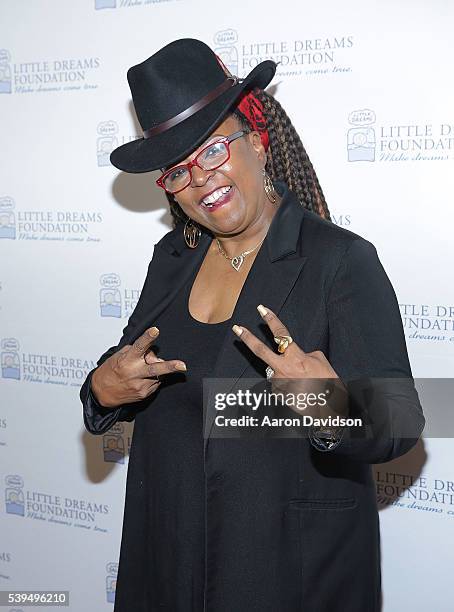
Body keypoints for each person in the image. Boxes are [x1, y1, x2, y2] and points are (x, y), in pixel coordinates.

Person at [80, 38, 425, 612]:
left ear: (258, 141)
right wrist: (102, 391)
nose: (199, 179)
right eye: (177, 170)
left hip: (285, 575)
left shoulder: (338, 260)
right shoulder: (172, 258)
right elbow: (127, 368)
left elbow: (402, 419)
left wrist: (329, 403)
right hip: (167, 561)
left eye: (212, 150)